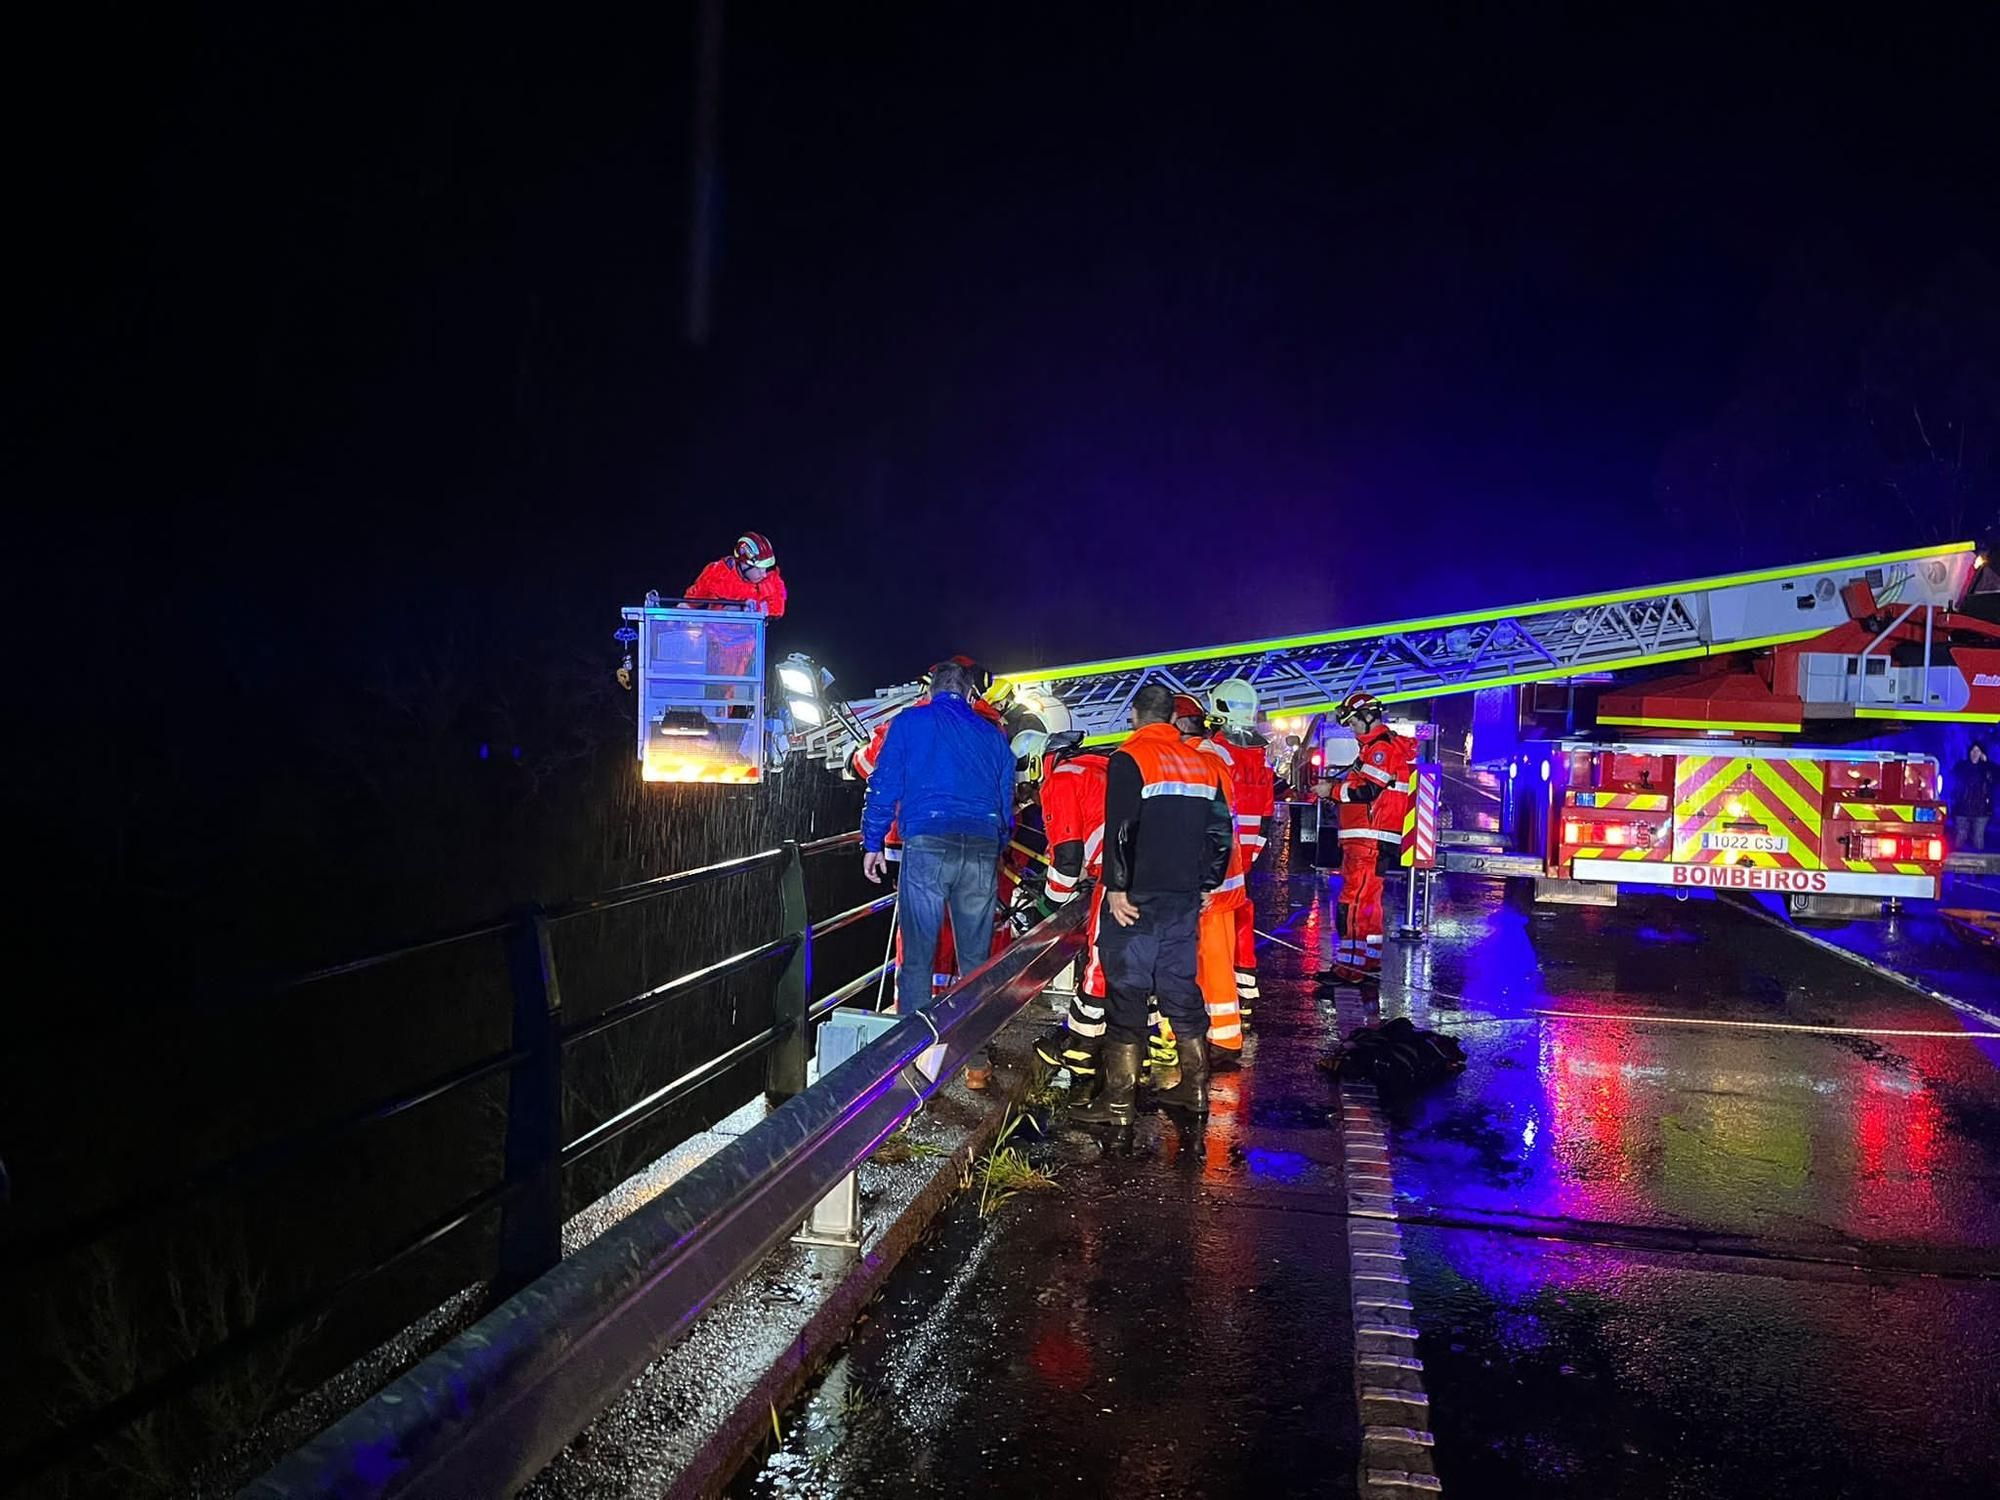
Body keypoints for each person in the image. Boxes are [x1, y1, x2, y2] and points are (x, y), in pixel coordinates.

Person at [1072, 682, 1232, 1129]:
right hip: (1183, 896)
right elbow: (1221, 832)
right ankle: (1195, 1088)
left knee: (1128, 989)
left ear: (1137, 716)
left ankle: (1119, 1103)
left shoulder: (1128, 759)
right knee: (1180, 985)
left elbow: (1122, 828)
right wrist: (1206, 883)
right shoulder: (1205, 765)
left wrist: (1117, 888)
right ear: (1173, 719)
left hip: (1137, 898)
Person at [861, 659, 1017, 1036]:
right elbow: (1005, 797)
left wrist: (873, 841)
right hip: (981, 847)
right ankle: (974, 1056)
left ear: (930, 690)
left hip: (928, 844)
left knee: (917, 957)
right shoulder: (992, 734)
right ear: (969, 693)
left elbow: (883, 785)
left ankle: (911, 1057)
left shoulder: (909, 723)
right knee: (976, 959)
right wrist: (995, 842)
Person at [1021, 728, 1115, 1088]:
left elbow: (1067, 858)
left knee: (1100, 959)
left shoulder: (1061, 779)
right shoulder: (1096, 768)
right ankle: (1145, 1041)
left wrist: (1046, 910)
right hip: (1153, 870)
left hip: (1121, 874)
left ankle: (1080, 1047)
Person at [1317, 690, 1414, 983]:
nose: (1352, 728)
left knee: (1354, 902)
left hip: (1369, 838)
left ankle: (1350, 968)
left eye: (1354, 722)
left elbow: (1369, 791)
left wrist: (1331, 792)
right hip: (1371, 837)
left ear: (1368, 717)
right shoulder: (1376, 749)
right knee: (1368, 903)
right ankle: (1367, 962)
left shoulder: (1380, 750)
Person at [1173, 694, 1246, 1070]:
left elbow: (1203, 827)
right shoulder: (1214, 756)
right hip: (1218, 878)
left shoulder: (1201, 761)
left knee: (1212, 961)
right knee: (1209, 960)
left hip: (1209, 883)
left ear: (1181, 724)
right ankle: (1220, 1034)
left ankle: (1224, 1039)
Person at [1207, 677, 1275, 1021]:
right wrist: (1251, 854)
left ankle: (1217, 999)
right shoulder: (1260, 758)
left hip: (1217, 856)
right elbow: (1266, 815)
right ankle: (1245, 990)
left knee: (1211, 930)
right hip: (1244, 857)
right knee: (1242, 916)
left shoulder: (1216, 752)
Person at [686, 531, 787, 615]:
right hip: (714, 635)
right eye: (759, 569)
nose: (764, 574)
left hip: (751, 636)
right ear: (744, 565)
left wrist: (752, 608)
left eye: (765, 569)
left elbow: (777, 609)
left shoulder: (772, 580)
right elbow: (691, 602)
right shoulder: (717, 573)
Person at [1951, 740, 1994, 851]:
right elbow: (1952, 780)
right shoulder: (1961, 767)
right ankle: (1956, 864)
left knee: (1978, 838)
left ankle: (1980, 865)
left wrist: (1987, 763)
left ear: (1981, 754)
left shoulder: (1986, 768)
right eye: (1973, 751)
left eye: (1977, 751)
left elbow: (1995, 778)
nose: (1975, 753)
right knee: (1960, 836)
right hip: (1962, 809)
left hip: (1981, 810)